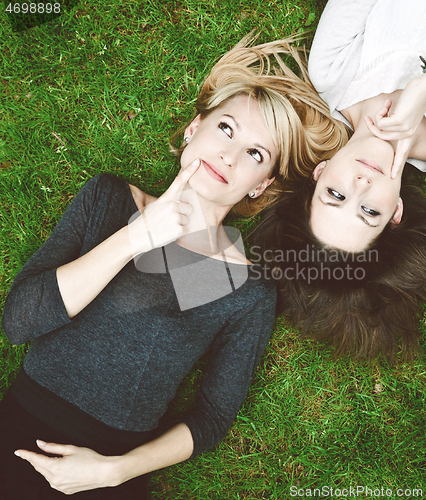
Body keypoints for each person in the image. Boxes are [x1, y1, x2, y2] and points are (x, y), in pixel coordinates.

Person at [0, 36, 347, 499]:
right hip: (19, 438)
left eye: (256, 154)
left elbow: (212, 417)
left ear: (260, 185)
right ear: (193, 129)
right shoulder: (108, 201)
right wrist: (135, 238)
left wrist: (115, 471)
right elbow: (19, 322)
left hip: (111, 470)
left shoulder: (244, 288)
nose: (230, 155)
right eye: (226, 129)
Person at [250, 0, 426, 360]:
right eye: (368, 211)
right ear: (395, 214)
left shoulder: (333, 71)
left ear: (319, 173)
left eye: (335, 194)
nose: (362, 183)